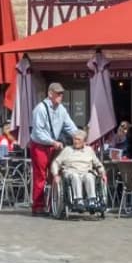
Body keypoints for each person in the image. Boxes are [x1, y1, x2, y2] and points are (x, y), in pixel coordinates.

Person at [28, 82, 81, 215]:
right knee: (40, 176)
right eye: (58, 93)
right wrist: (52, 141)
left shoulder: (62, 109)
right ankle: (38, 206)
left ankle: (53, 204)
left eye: (62, 93)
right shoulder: (40, 109)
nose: (60, 96)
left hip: (52, 146)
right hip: (40, 146)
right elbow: (38, 132)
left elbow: (70, 126)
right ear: (50, 94)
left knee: (55, 175)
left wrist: (80, 137)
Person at [51, 131, 108, 215]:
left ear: (84, 142)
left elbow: (98, 164)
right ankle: (78, 201)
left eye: (78, 139)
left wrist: (103, 174)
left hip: (86, 171)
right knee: (75, 176)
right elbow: (56, 163)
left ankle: (92, 200)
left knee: (89, 176)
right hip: (70, 172)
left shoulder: (89, 150)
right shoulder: (67, 150)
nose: (75, 141)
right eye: (74, 139)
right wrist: (55, 175)